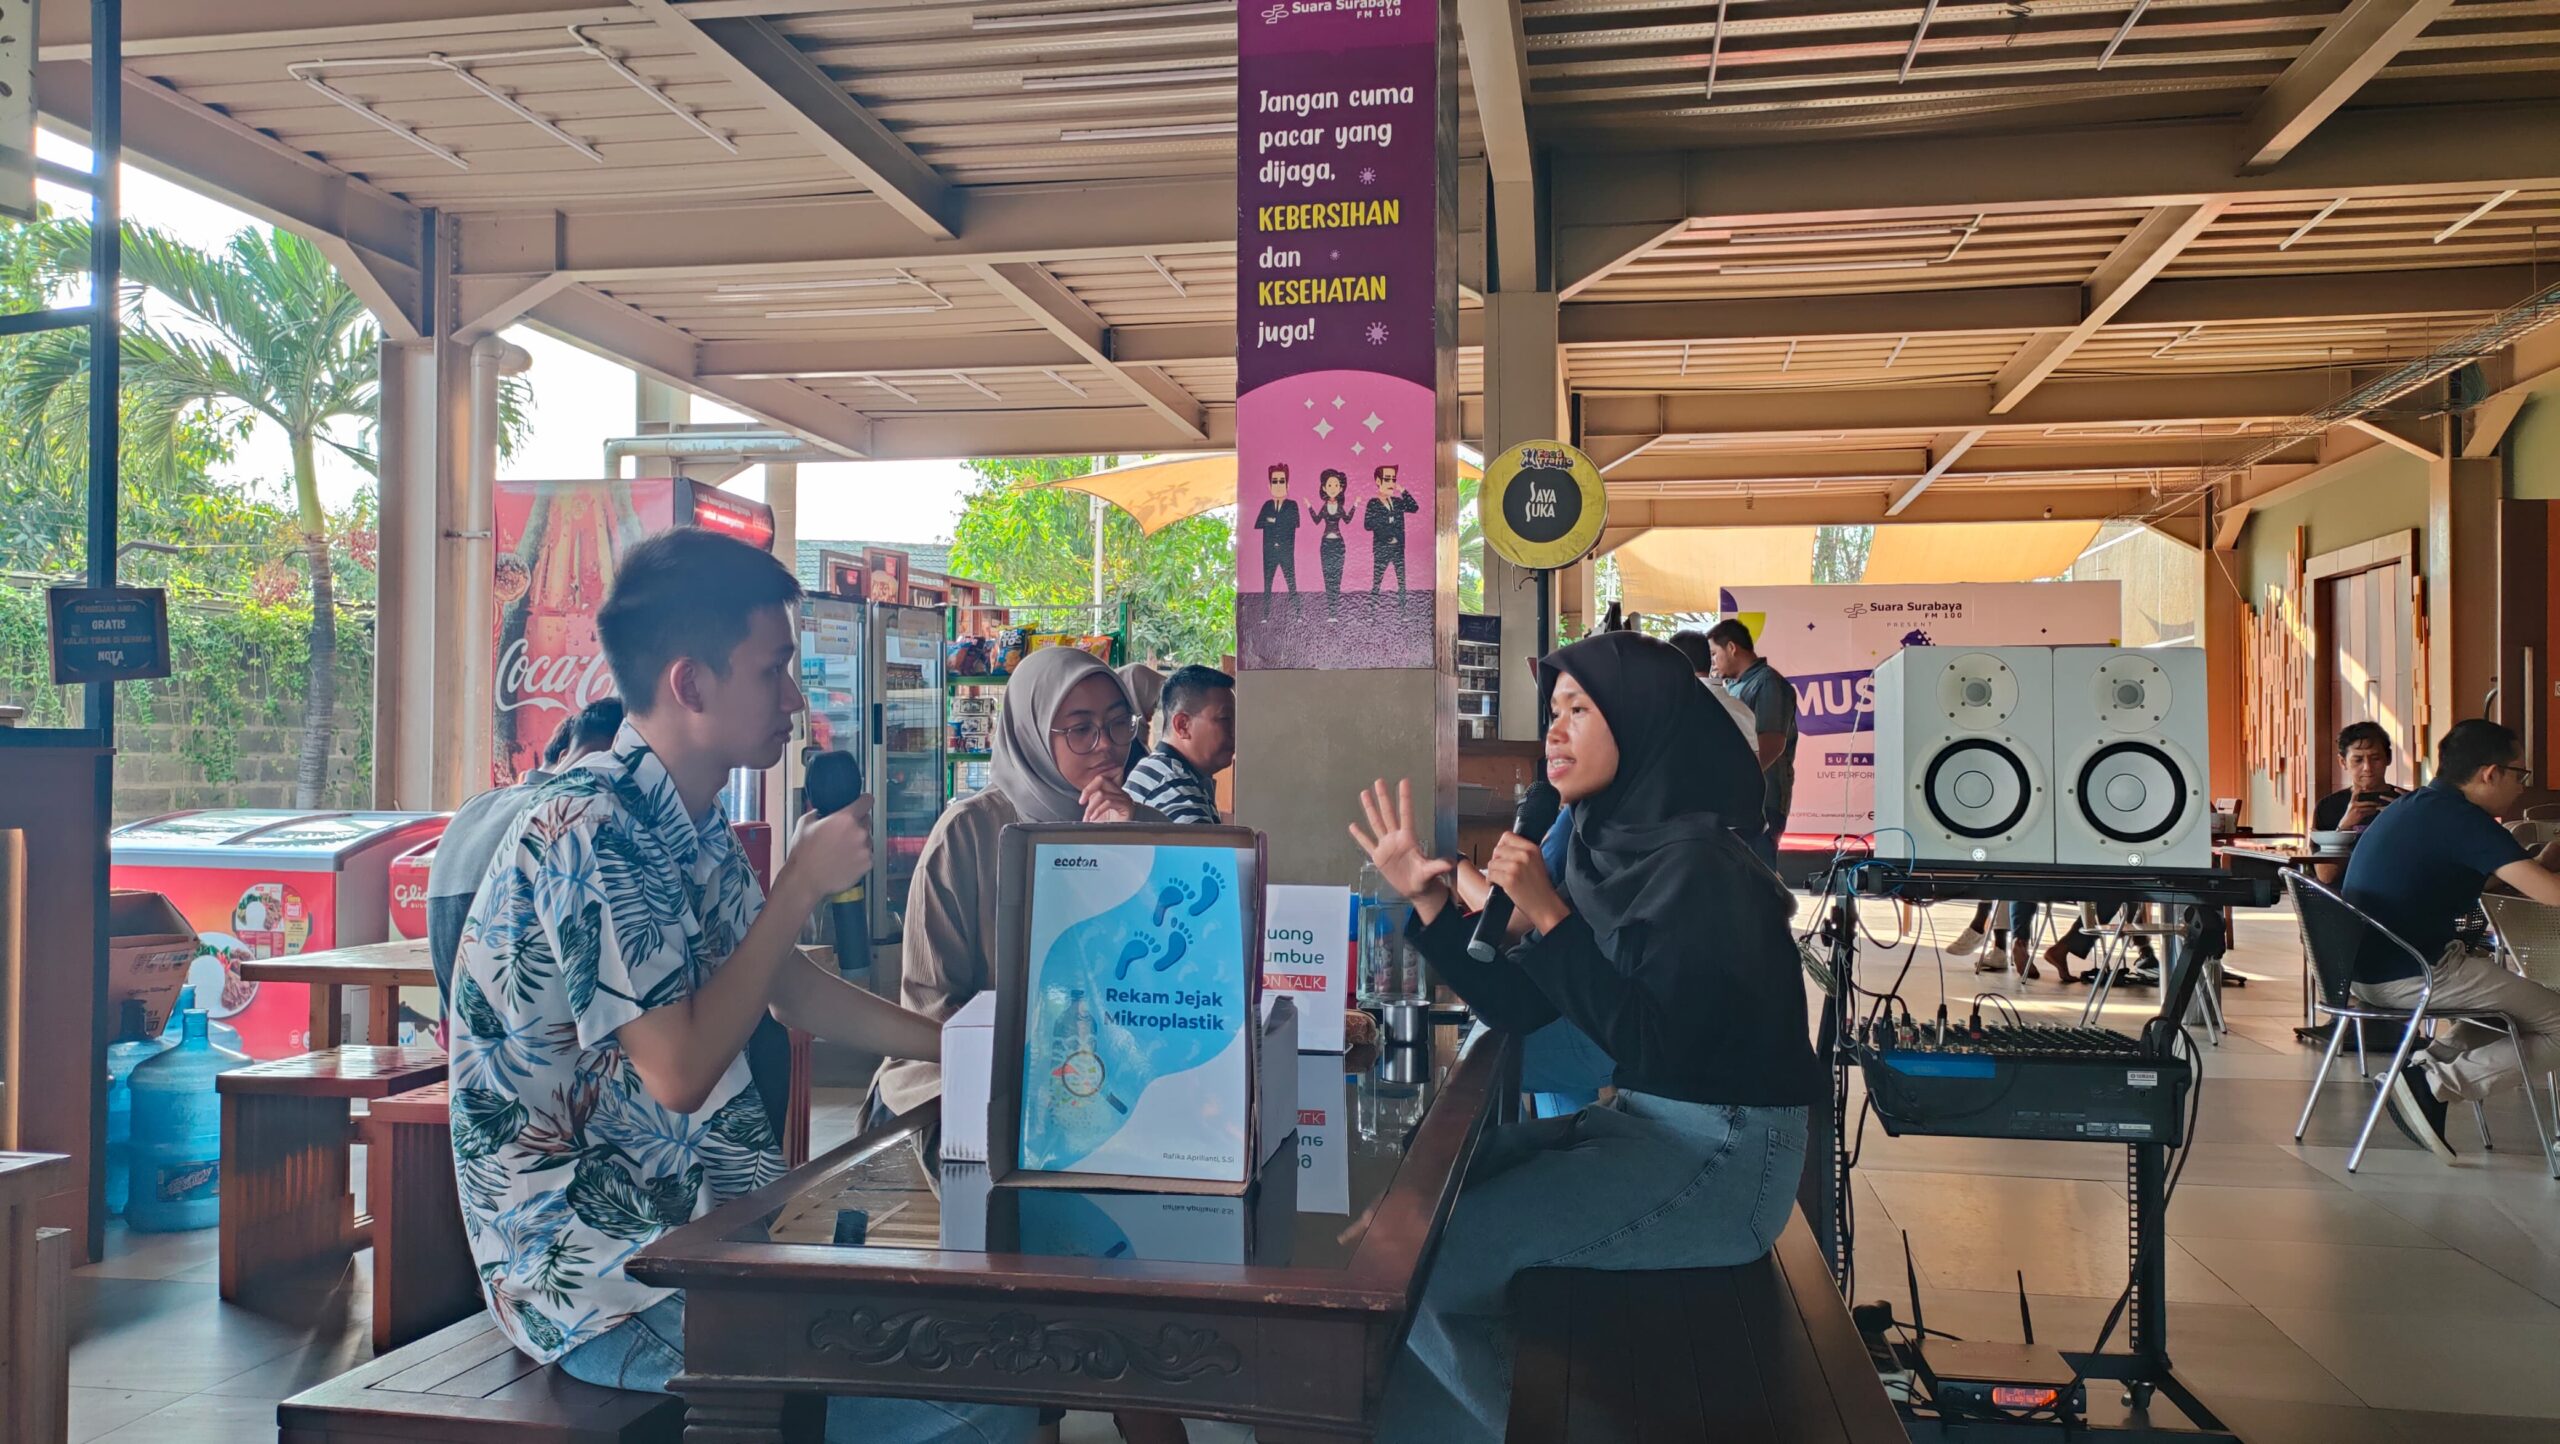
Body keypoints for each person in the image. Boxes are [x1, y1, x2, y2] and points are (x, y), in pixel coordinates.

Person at [448, 528, 1029, 1444]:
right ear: (691, 683)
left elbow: (786, 988)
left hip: (709, 1228)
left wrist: (971, 1052)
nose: (795, 699)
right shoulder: (584, 829)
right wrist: (799, 884)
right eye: (774, 671)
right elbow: (677, 1068)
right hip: (599, 1276)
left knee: (992, 1348)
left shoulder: (691, 816)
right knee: (972, 1405)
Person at [1352, 632, 1818, 1442]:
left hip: (1728, 1159)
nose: (1554, 733)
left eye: (1579, 710)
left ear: (1640, 722)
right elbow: (1525, 1007)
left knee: (1437, 1260)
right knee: (1420, 1206)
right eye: (1553, 712)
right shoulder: (1611, 844)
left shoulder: (1702, 864)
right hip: (1655, 1126)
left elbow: (1654, 1046)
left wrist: (1551, 913)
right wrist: (1424, 903)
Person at [875, 645, 1156, 1117]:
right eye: (1081, 729)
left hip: (1106, 1082)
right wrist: (1037, 1069)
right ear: (1030, 734)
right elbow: (932, 1006)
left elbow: (1168, 981)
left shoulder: (1148, 826)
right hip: (968, 1080)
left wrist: (1133, 845)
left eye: (1117, 723)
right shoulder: (970, 835)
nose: (1106, 744)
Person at [2343, 719, 2560, 1157]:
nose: (2522, 786)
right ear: (2490, 773)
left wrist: (2542, 859)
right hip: (2414, 972)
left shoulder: (2422, 806)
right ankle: (2433, 1085)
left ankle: (2423, 1070)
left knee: (2509, 1011)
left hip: (2365, 968)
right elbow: (2552, 896)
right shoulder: (2466, 821)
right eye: (2520, 774)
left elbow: (2495, 883)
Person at [425, 697, 621, 1008]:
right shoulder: (569, 816)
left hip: (458, 1038)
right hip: (522, 1044)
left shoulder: (471, 808)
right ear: (564, 754)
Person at [1706, 617, 1798, 869]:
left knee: (1759, 878)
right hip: (1739, 803)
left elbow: (1772, 743)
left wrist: (1738, 783)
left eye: (1714, 653)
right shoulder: (1735, 687)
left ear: (1732, 648)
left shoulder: (1768, 683)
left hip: (1762, 802)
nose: (1712, 662)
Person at [1125, 664, 1234, 825]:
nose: (1235, 731)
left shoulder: (1165, 771)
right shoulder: (1174, 790)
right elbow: (1201, 850)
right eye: (1225, 719)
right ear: (1183, 725)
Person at [2314, 720, 2406, 886]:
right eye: (2358, 760)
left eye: (2375, 758)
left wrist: (2406, 819)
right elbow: (2325, 876)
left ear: (2388, 758)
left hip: (2398, 892)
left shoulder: (2407, 803)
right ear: (2343, 762)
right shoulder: (2328, 807)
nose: (2367, 768)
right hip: (2345, 899)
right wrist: (2344, 827)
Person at [1252, 463, 1300, 617]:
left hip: (1286, 551)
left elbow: (1293, 523)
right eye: (1275, 481)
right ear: (1269, 485)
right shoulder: (1267, 505)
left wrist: (1272, 521)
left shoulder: (1292, 505)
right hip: (1269, 551)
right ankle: (1265, 615)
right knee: (1267, 584)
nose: (1278, 485)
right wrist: (1274, 521)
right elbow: (1259, 524)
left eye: (1281, 481)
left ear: (1287, 484)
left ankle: (1298, 613)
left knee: (1291, 582)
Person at [1363, 464, 1419, 596]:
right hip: (1382, 548)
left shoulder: (1398, 501)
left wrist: (1402, 490)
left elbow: (1414, 507)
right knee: (1377, 583)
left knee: (1402, 583)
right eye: (1387, 479)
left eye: (1394, 479)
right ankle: (1372, 613)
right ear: (1378, 481)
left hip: (1398, 548)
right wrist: (1386, 521)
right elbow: (1368, 524)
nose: (1391, 483)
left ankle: (1403, 613)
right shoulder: (1373, 503)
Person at [1311, 468, 1353, 614]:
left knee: (1337, 576)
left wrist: (1355, 505)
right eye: (1330, 485)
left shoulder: (1340, 507)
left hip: (1339, 545)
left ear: (1341, 488)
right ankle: (1331, 610)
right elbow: (1316, 520)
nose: (1333, 488)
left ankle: (1335, 608)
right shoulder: (1324, 507)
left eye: (1336, 485)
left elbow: (1347, 520)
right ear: (1324, 488)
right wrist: (1309, 507)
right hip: (1326, 545)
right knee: (1327, 576)